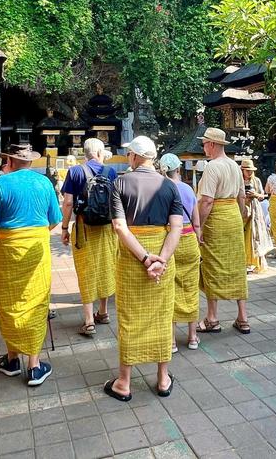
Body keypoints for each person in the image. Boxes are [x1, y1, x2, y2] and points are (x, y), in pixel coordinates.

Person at [103, 137, 184, 401]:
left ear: (135, 157)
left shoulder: (120, 183)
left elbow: (119, 227)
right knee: (162, 317)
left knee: (129, 318)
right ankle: (163, 379)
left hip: (132, 259)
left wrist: (145, 258)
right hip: (162, 260)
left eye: (129, 154)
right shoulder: (170, 186)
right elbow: (176, 227)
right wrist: (161, 259)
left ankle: (124, 382)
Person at [0, 144, 61, 386]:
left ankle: (12, 358)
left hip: (8, 250)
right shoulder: (44, 183)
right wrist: (35, 234)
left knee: (9, 301)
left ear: (9, 161)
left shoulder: (2, 183)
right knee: (36, 300)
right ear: (30, 161)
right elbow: (55, 220)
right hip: (36, 250)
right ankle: (34, 365)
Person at [195, 128, 250, 334]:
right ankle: (243, 317)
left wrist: (199, 226)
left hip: (216, 219)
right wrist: (241, 216)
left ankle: (212, 318)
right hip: (233, 216)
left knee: (213, 265)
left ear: (211, 144)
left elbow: (207, 201)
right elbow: (242, 196)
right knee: (237, 265)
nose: (203, 148)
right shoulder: (235, 166)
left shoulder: (212, 167)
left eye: (204, 144)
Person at [59, 138, 117, 337]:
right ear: (100, 153)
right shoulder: (111, 172)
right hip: (107, 228)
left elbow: (68, 202)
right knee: (106, 266)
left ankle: (89, 321)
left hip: (83, 226)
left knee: (86, 270)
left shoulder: (75, 171)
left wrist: (64, 228)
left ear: (84, 153)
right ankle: (103, 312)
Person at [160, 153, 201, 351]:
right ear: (178, 169)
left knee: (171, 289)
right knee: (191, 287)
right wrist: (199, 238)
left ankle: (172, 341)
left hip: (170, 241)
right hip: (189, 238)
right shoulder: (188, 189)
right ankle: (192, 337)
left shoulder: (161, 189)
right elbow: (196, 221)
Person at [241, 159, 272, 274]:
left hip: (254, 209)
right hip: (242, 209)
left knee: (254, 235)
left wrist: (255, 194)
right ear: (242, 170)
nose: (249, 173)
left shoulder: (256, 180)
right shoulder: (238, 180)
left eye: (251, 171)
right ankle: (243, 262)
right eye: (247, 170)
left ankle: (254, 262)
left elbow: (263, 195)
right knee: (243, 235)